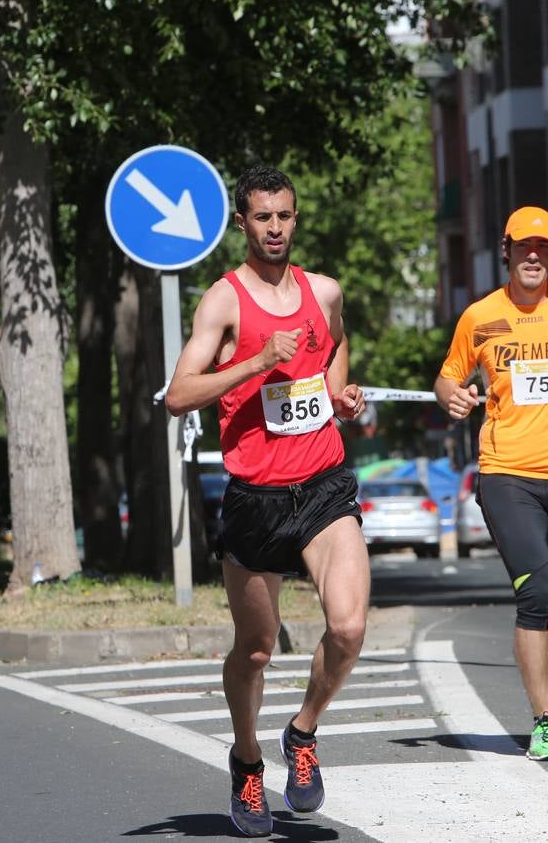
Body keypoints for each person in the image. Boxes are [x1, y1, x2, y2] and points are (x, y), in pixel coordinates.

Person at [164, 165, 369, 837]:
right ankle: (247, 761)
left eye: (285, 216)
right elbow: (177, 396)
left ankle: (302, 732)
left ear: (295, 217)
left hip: (323, 485)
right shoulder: (223, 303)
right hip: (255, 495)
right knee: (254, 649)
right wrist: (255, 363)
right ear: (242, 223)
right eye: (262, 217)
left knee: (348, 627)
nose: (275, 228)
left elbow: (335, 347)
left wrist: (339, 392)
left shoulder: (325, 291)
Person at [434, 205, 548, 762]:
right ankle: (543, 722)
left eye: (543, 249)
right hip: (506, 474)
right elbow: (447, 380)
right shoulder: (479, 316)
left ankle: (544, 667)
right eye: (523, 247)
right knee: (535, 595)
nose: (533, 257)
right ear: (506, 251)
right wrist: (456, 400)